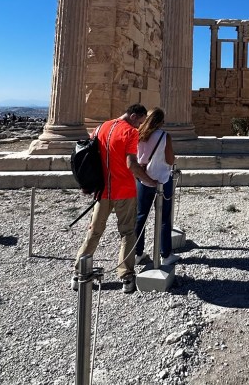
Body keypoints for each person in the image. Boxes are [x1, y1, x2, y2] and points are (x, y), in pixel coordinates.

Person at [72, 103, 147, 294]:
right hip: (125, 190)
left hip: (103, 190)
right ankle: (126, 277)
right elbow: (131, 163)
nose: (139, 126)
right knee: (127, 233)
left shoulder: (100, 128)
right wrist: (148, 180)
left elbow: (87, 154)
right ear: (133, 116)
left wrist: (86, 183)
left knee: (94, 231)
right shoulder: (130, 132)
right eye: (140, 122)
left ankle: (79, 274)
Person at [135, 107, 176, 267]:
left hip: (143, 179)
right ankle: (165, 254)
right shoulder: (165, 136)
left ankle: (137, 253)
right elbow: (170, 160)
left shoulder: (138, 134)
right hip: (162, 180)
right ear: (160, 121)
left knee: (141, 216)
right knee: (164, 218)